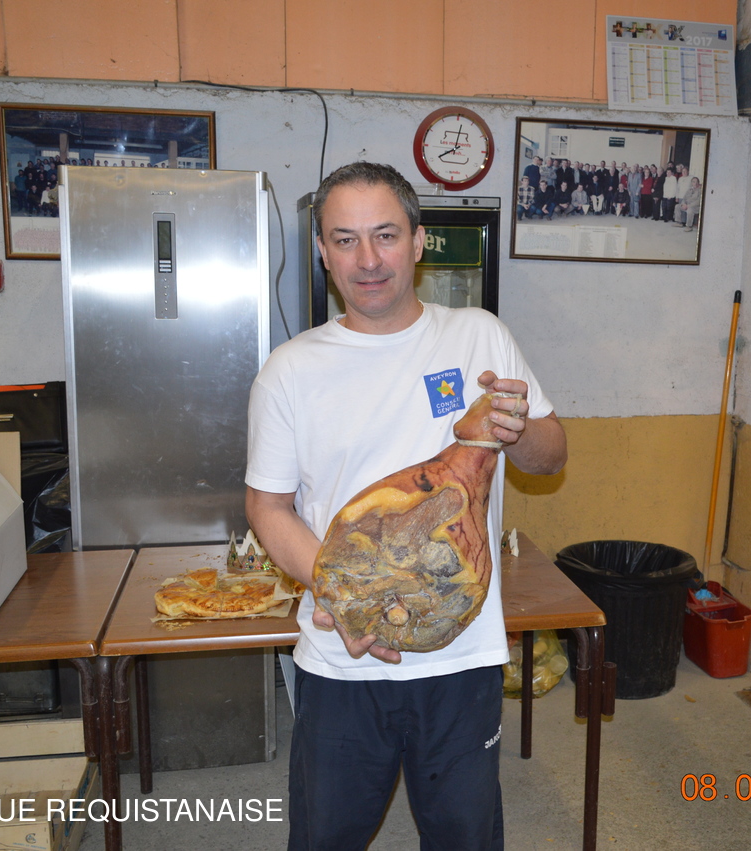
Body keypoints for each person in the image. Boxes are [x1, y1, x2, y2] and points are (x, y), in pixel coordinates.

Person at [245, 162, 566, 851]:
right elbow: (268, 506)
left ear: (419, 241)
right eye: (345, 239)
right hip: (343, 655)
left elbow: (550, 456)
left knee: (463, 837)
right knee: (326, 837)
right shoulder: (289, 371)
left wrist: (519, 428)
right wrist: (346, 598)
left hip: (463, 657)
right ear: (322, 251)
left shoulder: (479, 335)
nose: (368, 259)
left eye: (386, 235)